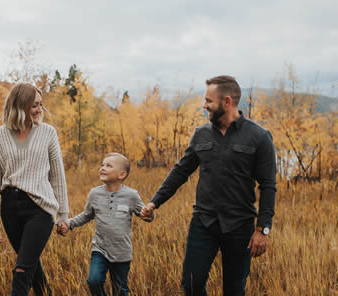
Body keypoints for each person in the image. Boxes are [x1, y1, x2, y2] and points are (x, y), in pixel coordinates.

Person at [141, 75, 277, 296]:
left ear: (226, 102)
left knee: (234, 290)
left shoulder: (259, 137)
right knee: (191, 284)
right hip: (203, 222)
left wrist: (263, 229)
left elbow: (268, 185)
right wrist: (155, 202)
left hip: (239, 225)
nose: (204, 106)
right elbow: (180, 171)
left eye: (208, 101)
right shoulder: (201, 134)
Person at [0, 83, 69, 296]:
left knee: (22, 269)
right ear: (19, 106)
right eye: (34, 105)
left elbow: (57, 175)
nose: (40, 109)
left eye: (41, 104)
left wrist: (63, 215)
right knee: (31, 264)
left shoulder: (48, 133)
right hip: (10, 208)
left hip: (40, 208)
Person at [59, 152, 153, 296]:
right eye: (102, 165)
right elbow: (86, 215)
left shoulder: (131, 195)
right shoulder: (94, 194)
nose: (102, 168)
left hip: (122, 252)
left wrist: (149, 215)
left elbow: (144, 214)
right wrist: (69, 223)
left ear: (122, 174)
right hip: (100, 249)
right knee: (93, 281)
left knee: (120, 290)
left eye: (108, 166)